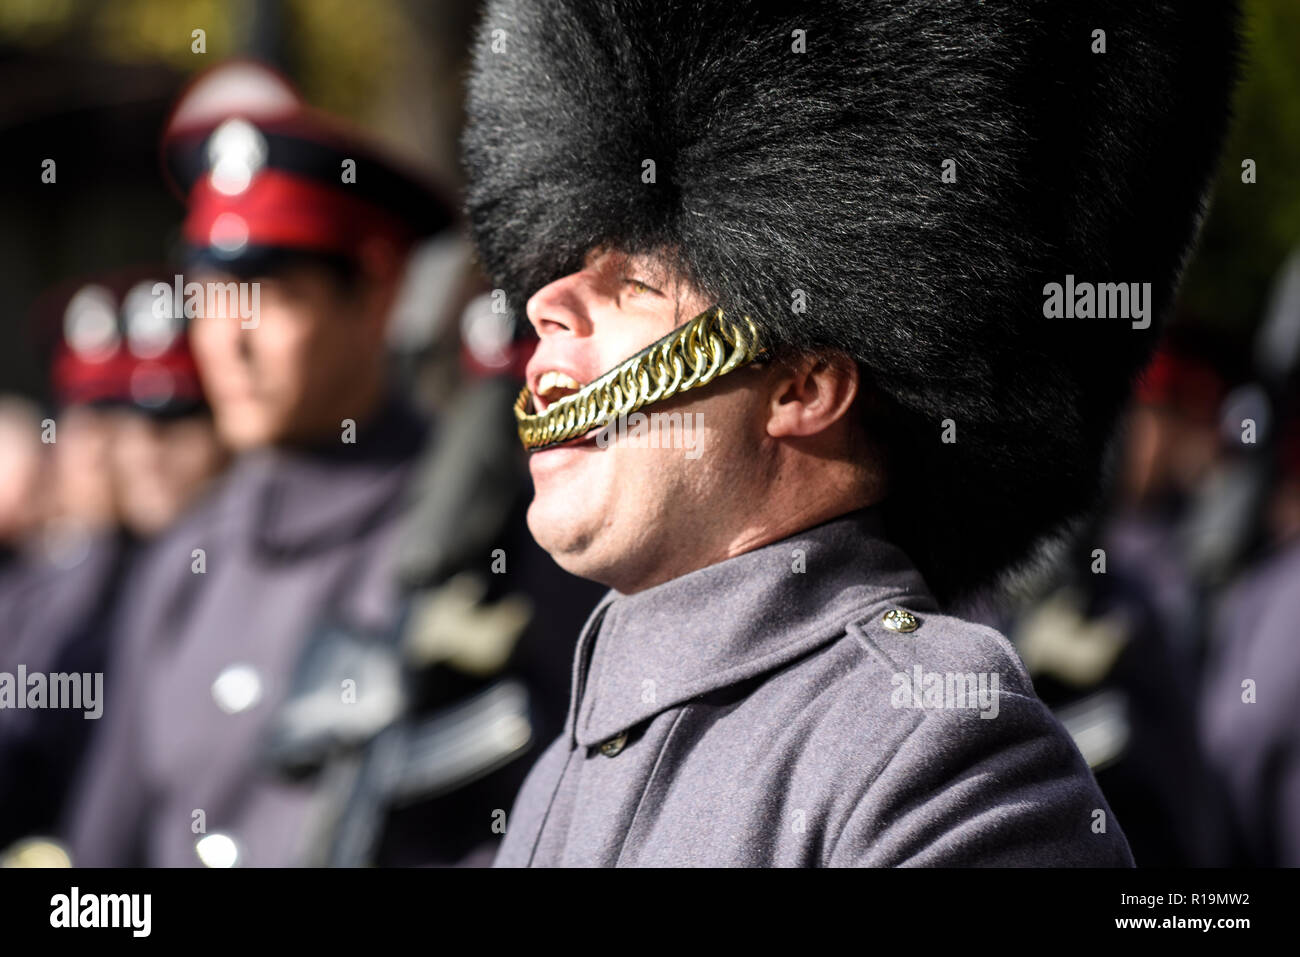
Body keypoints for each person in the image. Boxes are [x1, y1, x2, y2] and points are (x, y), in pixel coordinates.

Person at [460, 0, 1238, 865]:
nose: (543, 303)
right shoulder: (560, 772)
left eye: (637, 285)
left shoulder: (937, 753)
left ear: (804, 386)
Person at [62, 62, 454, 867]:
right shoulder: (188, 555)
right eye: (208, 298)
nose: (228, 340)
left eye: (270, 296)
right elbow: (103, 857)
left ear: (377, 294)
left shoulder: (467, 532)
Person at [0, 272, 226, 857]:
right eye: (101, 420)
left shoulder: (201, 570)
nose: (132, 449)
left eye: (174, 421)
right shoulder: (63, 578)